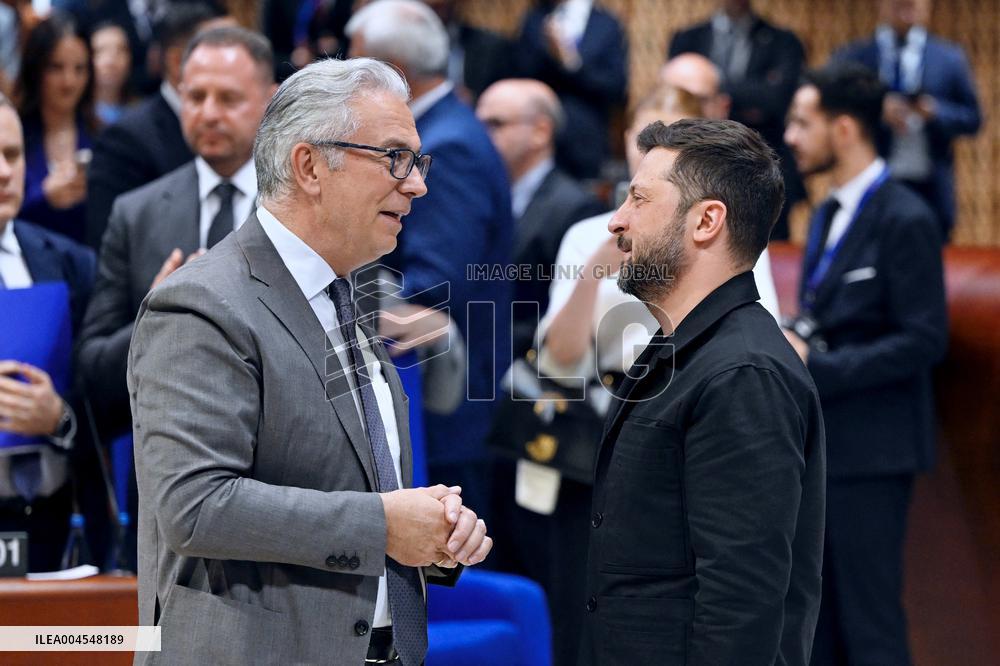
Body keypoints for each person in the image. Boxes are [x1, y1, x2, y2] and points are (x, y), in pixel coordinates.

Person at [129, 56, 493, 665]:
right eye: (395, 158)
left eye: (418, 161)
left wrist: (433, 532)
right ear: (309, 166)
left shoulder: (348, 292)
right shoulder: (200, 302)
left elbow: (349, 481)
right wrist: (384, 524)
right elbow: (195, 507)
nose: (418, 184)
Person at [578, 117, 825, 665]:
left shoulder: (743, 372)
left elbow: (743, 599)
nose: (617, 221)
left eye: (639, 198)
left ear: (707, 221)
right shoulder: (680, 349)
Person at [78, 26, 276, 570]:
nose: (208, 112)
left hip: (286, 494)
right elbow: (93, 373)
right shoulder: (136, 214)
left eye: (228, 98)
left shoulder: (309, 210)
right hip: (169, 508)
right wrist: (155, 311)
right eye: (195, 96)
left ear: (270, 100)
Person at [783, 62, 947, 666]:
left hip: (875, 452)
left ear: (844, 128)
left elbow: (925, 339)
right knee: (817, 622)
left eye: (802, 122)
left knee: (870, 622)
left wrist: (819, 366)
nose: (792, 137)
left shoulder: (906, 216)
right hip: (823, 448)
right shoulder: (825, 213)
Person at [346, 0, 512, 521]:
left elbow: (436, 283)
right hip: (439, 391)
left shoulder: (447, 146)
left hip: (449, 403)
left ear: (390, 72)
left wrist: (342, 305)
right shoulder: (443, 129)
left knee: (450, 582)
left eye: (353, 68)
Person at [0, 92, 98, 572]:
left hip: (51, 520)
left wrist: (59, 417)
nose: (4, 171)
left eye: (13, 155)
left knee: (49, 645)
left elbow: (104, 392)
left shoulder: (69, 262)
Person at [475, 77, 604, 358]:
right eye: (478, 124)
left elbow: (566, 308)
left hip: (531, 367)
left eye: (495, 124)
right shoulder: (474, 194)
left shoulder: (575, 208)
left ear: (541, 132)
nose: (480, 135)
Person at [83, 2, 226, 251]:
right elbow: (109, 251)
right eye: (219, 50)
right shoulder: (125, 139)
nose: (234, 60)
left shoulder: (244, 127)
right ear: (175, 61)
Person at [833, 0, 981, 239]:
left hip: (931, 189)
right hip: (870, 184)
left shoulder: (949, 57)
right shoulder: (853, 56)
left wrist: (935, 111)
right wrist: (876, 110)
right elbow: (833, 110)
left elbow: (973, 118)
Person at [668, 0, 806, 240]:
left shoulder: (783, 42)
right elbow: (676, 99)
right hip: (695, 162)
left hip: (761, 167)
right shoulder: (687, 39)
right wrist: (751, 95)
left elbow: (774, 100)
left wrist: (713, 86)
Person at [513, 0, 628, 180]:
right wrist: (549, 55)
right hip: (538, 137)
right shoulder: (535, 18)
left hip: (586, 141)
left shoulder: (607, 24)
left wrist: (571, 63)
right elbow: (520, 74)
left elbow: (615, 87)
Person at [13, 10, 96, 244]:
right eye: (56, 67)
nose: (69, 81)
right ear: (36, 70)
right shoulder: (11, 134)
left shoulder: (104, 136)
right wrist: (43, 198)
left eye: (80, 69)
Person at [90, 21, 135, 126]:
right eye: (101, 51)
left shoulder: (143, 112)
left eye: (120, 50)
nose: (111, 61)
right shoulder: (74, 114)